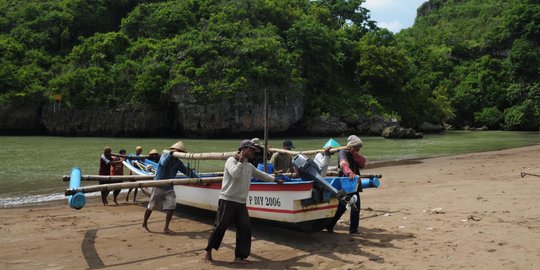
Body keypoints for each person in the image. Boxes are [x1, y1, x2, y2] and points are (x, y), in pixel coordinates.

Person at [204, 140, 284, 265]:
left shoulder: (249, 166)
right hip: (227, 200)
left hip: (241, 202)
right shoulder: (231, 161)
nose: (253, 152)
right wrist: (240, 160)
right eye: (251, 150)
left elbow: (261, 175)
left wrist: (275, 179)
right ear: (244, 149)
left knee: (245, 228)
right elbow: (235, 174)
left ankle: (239, 257)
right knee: (220, 227)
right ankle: (208, 252)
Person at [142, 141, 199, 234]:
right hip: (158, 185)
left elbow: (187, 171)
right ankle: (144, 224)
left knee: (172, 206)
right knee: (151, 206)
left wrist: (198, 178)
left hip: (169, 187)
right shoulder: (164, 156)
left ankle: (166, 227)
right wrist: (170, 155)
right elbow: (164, 163)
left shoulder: (178, 163)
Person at [325, 135, 366, 234]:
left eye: (359, 148)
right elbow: (344, 165)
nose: (358, 149)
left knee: (355, 207)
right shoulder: (343, 152)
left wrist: (355, 155)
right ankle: (329, 226)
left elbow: (363, 163)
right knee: (342, 208)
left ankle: (353, 230)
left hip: (354, 185)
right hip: (345, 185)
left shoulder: (354, 155)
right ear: (351, 146)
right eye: (356, 148)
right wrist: (349, 172)